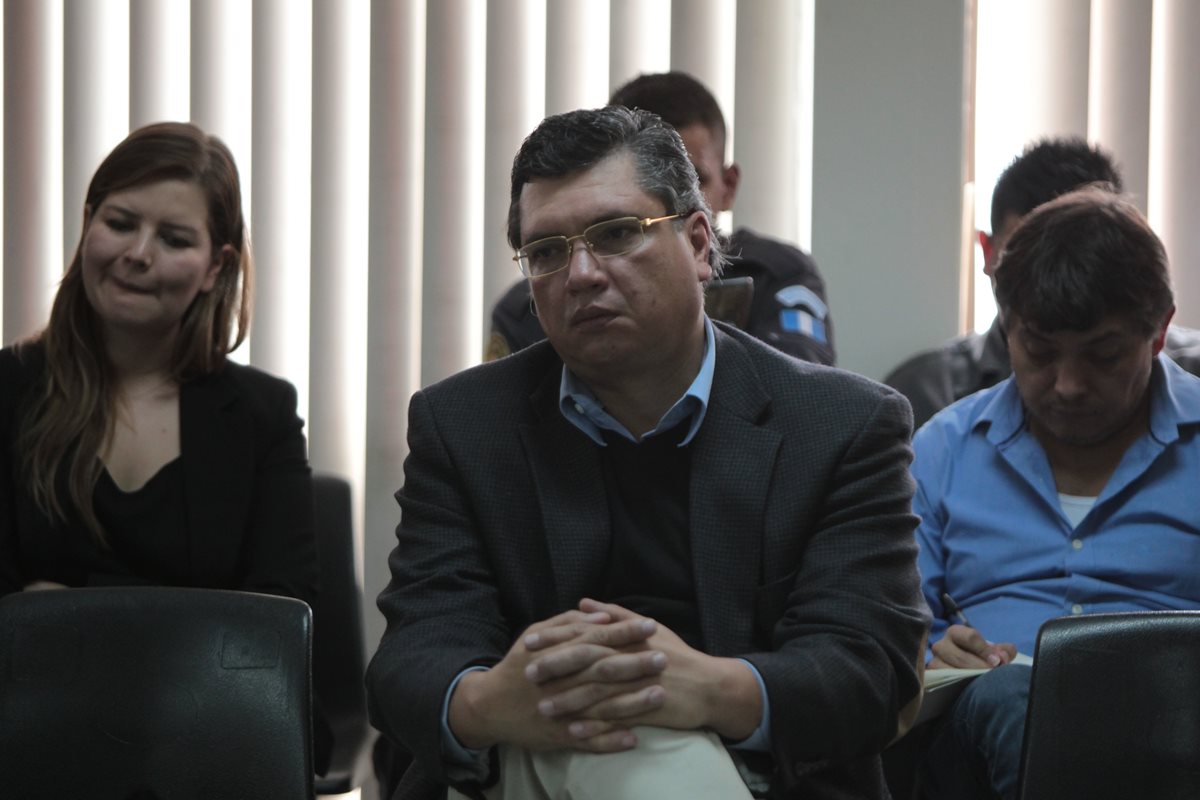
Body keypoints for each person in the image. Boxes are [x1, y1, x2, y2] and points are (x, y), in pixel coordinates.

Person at [366, 105, 928, 800]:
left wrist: (704, 689)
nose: (580, 274)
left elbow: (870, 668)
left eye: (616, 234)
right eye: (546, 252)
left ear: (698, 243)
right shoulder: (464, 424)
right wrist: (491, 703)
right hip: (526, 763)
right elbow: (414, 654)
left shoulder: (842, 426)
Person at [912, 187, 1200, 800]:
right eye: (1039, 352)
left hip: (1174, 723)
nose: (1068, 386)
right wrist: (936, 650)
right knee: (1017, 702)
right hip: (985, 738)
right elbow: (892, 633)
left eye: (1102, 356)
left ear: (1159, 331)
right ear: (1006, 324)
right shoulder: (942, 451)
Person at [0, 124, 317, 628]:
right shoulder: (9, 388)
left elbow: (277, 617)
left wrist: (62, 613)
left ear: (216, 265)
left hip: (210, 705)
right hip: (31, 702)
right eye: (121, 223)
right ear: (88, 226)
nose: (139, 254)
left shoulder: (264, 413)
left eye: (173, 239)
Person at [486, 71, 836, 366]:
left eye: (694, 178)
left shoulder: (772, 273)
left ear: (728, 187)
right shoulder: (533, 301)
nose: (674, 197)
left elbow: (798, 393)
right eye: (648, 180)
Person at [885, 137, 1200, 429]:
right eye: (1022, 252)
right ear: (988, 251)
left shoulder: (1193, 373)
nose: (1069, 386)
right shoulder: (926, 396)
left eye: (1105, 354)